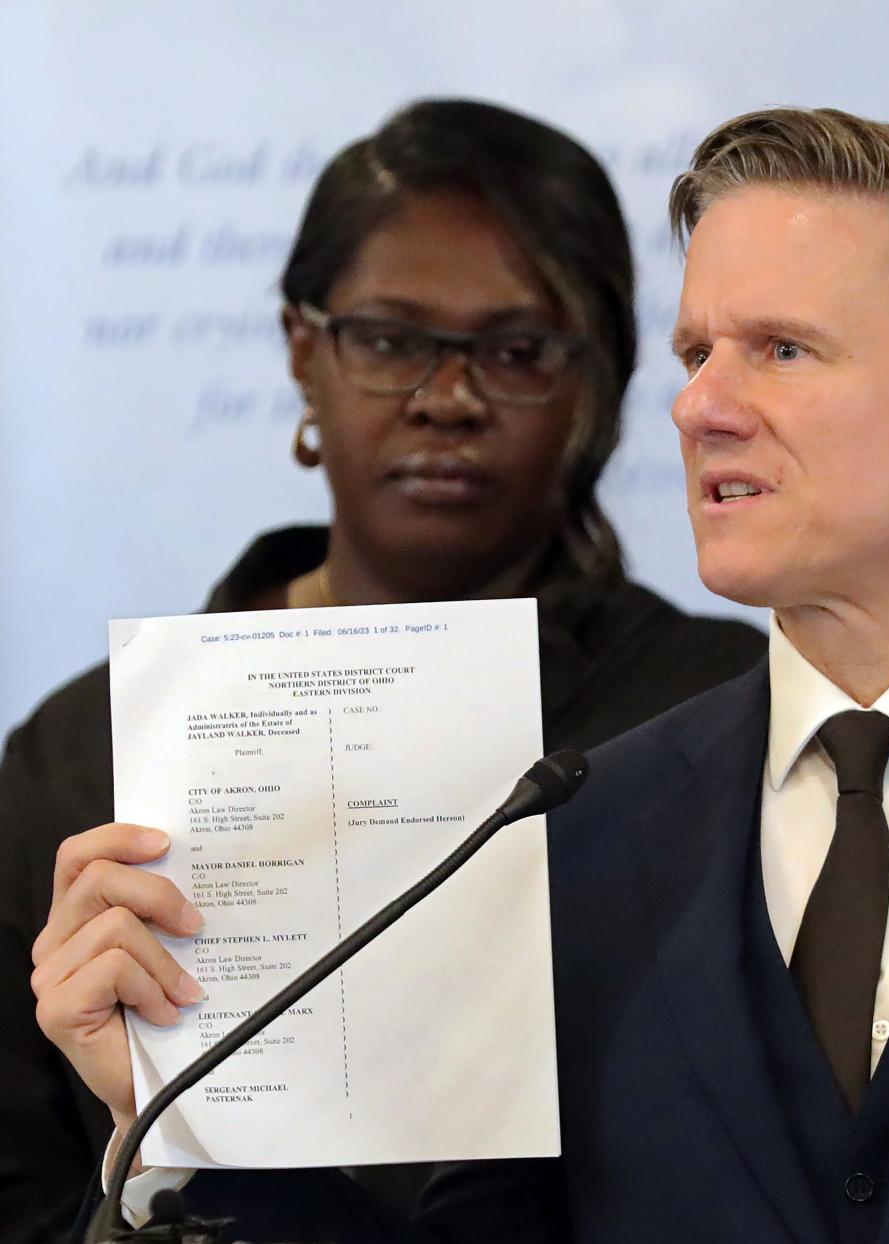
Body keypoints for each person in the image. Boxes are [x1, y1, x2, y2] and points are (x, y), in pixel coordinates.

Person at [36, 105, 889, 1243]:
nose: (699, 405)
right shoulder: (575, 826)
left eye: (781, 348)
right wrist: (178, 1128)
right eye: (695, 350)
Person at [0, 98, 765, 1243]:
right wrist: (151, 1157)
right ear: (305, 350)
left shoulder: (728, 710)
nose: (446, 399)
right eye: (392, 339)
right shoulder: (87, 745)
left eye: (515, 351)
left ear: (592, 379)